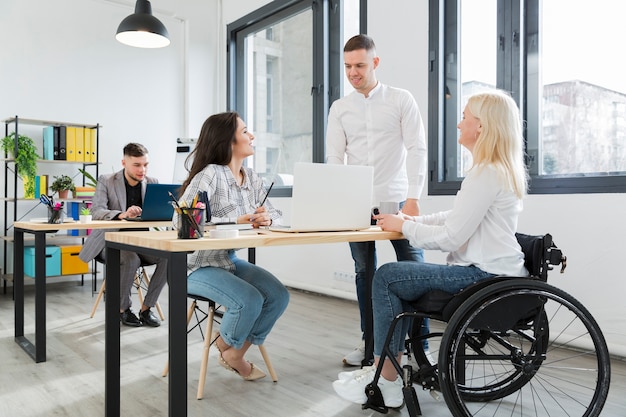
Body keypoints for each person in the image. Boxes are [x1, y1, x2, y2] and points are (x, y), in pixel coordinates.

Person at [333, 90, 530, 407]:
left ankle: (386, 379)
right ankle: (389, 374)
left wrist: (404, 227)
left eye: (465, 116)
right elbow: (456, 217)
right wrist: (411, 219)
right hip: (492, 271)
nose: (459, 124)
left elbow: (451, 237)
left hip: (480, 277)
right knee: (392, 278)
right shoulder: (495, 170)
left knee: (385, 276)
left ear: (481, 126)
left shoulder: (485, 174)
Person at [325, 34, 428, 366]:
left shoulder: (400, 99)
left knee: (414, 269)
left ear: (375, 63)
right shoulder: (340, 108)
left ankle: (419, 347)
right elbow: (333, 160)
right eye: (348, 67)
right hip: (356, 202)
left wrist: (413, 198)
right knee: (363, 272)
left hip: (395, 200)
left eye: (360, 65)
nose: (353, 73)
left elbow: (417, 150)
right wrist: (337, 203)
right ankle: (370, 345)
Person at [175, 111, 289, 381]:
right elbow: (181, 218)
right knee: (249, 300)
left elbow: (278, 215)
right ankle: (231, 347)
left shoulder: (252, 178)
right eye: (245, 131)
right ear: (228, 141)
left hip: (227, 261)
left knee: (278, 296)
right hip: (194, 266)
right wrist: (234, 220)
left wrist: (267, 217)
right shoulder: (210, 174)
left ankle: (230, 350)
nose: (252, 136)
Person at [79, 143, 167, 327]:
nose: (142, 169)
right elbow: (96, 211)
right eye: (137, 165)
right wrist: (122, 214)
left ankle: (146, 309)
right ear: (124, 162)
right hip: (109, 242)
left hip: (140, 242)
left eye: (145, 164)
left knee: (168, 257)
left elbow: (158, 212)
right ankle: (123, 309)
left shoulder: (152, 183)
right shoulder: (107, 180)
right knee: (130, 258)